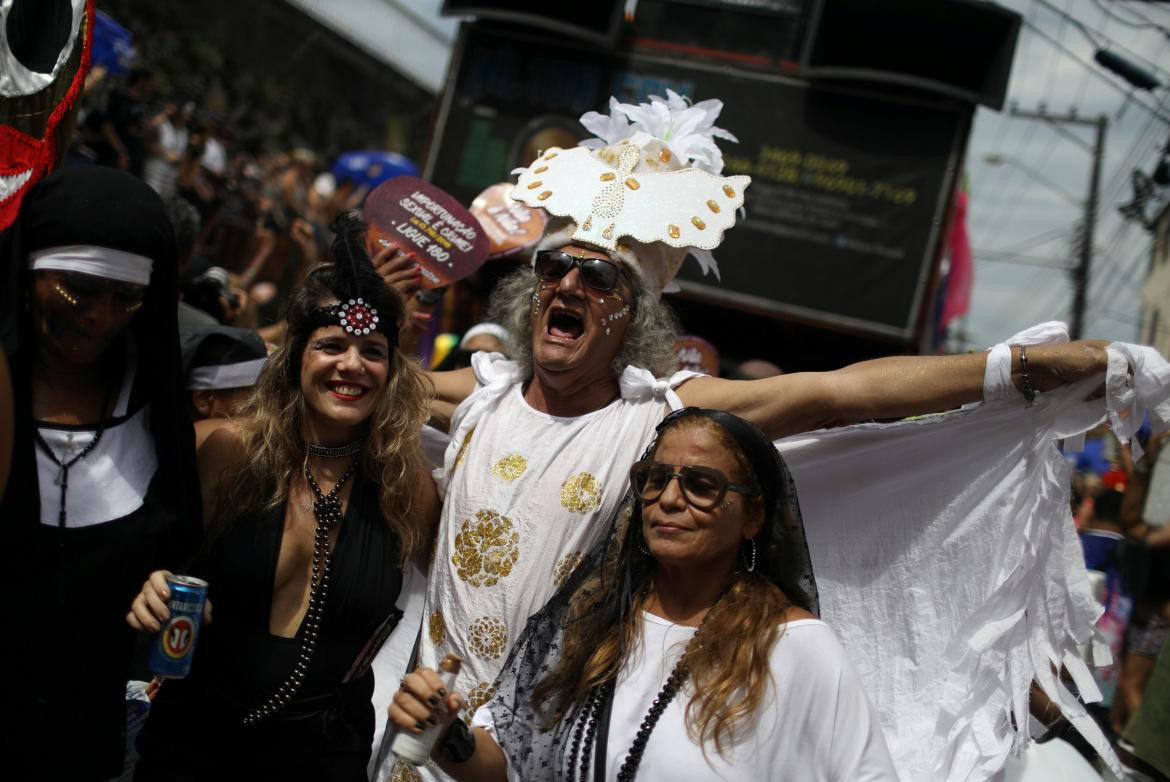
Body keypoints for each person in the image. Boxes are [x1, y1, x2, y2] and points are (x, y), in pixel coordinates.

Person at [373, 92, 1120, 782]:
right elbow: (323, 373)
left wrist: (1017, 366)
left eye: (599, 280)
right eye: (555, 268)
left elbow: (832, 394)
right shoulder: (481, 397)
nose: (569, 285)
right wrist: (368, 302)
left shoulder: (657, 422)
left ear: (633, 319)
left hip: (545, 754)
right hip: (413, 732)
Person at [391, 408, 898, 780]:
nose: (669, 499)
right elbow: (507, 762)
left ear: (753, 517)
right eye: (655, 479)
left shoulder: (794, 648)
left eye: (701, 485)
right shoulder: (592, 621)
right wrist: (444, 733)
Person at [127, 213, 440, 780]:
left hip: (323, 756)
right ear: (296, 356)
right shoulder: (231, 454)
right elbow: (150, 561)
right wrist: (149, 583)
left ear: (393, 369)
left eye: (373, 350)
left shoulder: (406, 486)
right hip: (194, 743)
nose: (352, 364)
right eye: (331, 345)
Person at [0, 166, 201, 780]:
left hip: (82, 746)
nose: (100, 317)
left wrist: (163, 592)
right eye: (79, 290)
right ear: (29, 275)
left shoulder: (155, 422)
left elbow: (185, 567)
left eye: (125, 299)